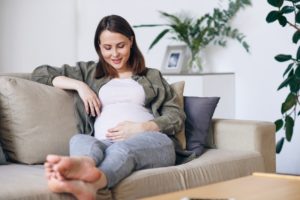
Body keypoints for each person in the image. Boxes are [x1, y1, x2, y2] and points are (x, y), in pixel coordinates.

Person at [31, 15, 187, 200]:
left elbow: (175, 115)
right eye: (107, 47)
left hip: (152, 142)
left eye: (120, 46)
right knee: (79, 140)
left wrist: (141, 128)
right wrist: (81, 86)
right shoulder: (89, 72)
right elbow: (40, 73)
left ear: (131, 41)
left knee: (122, 150)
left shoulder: (152, 76)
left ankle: (92, 183)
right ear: (99, 46)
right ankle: (84, 165)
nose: (114, 54)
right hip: (103, 144)